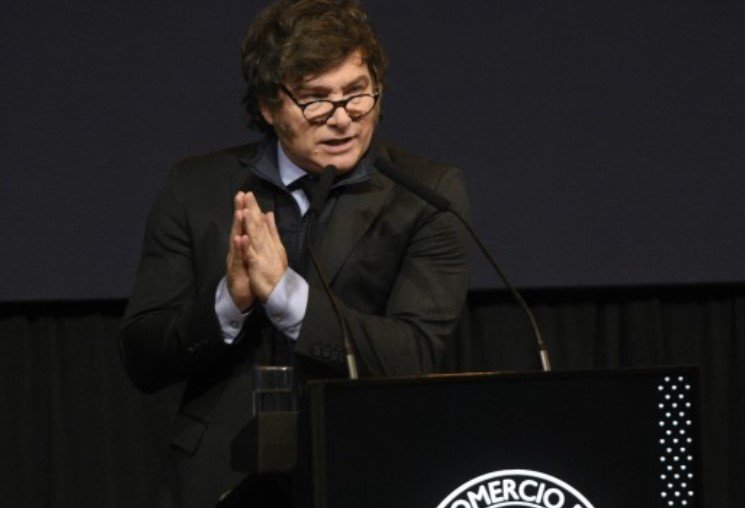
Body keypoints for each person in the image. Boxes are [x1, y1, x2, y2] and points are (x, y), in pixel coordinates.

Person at [118, 0, 470, 506]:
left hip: (369, 467)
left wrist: (287, 298)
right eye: (315, 100)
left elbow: (411, 356)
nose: (342, 119)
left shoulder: (424, 193)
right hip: (223, 476)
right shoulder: (195, 189)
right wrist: (230, 302)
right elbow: (142, 357)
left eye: (357, 93)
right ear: (269, 106)